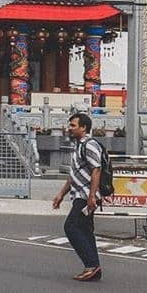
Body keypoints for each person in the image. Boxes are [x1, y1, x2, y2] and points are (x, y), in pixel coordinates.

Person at [52, 113, 103, 282]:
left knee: (71, 227)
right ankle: (94, 268)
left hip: (86, 196)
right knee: (86, 231)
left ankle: (91, 265)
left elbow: (96, 169)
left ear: (84, 127)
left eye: (73, 125)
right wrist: (61, 194)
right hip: (80, 194)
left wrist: (91, 196)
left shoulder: (89, 145)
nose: (70, 128)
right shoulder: (79, 146)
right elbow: (74, 175)